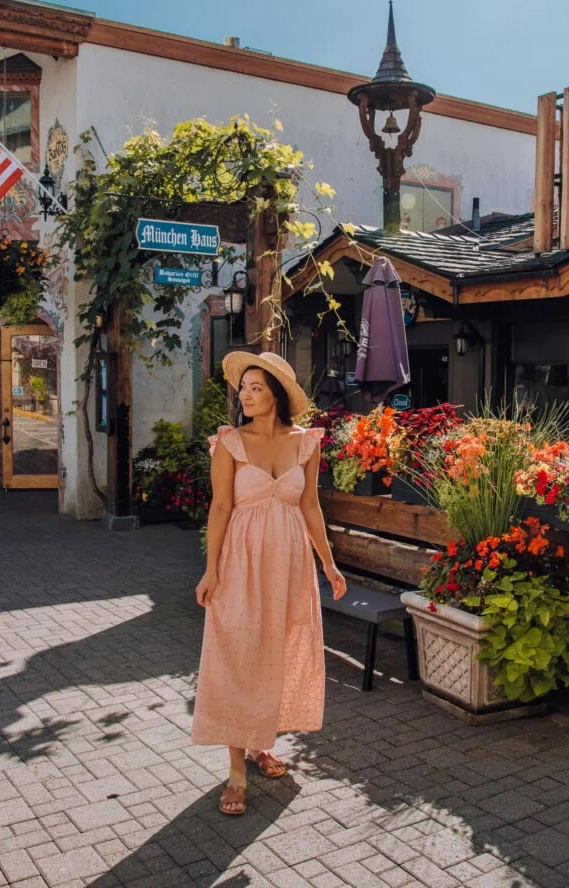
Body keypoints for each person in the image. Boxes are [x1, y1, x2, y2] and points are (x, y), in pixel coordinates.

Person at [192, 350, 347, 817]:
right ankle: (237, 770)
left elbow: (311, 507)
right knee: (238, 654)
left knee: (277, 652)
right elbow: (220, 509)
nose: (246, 395)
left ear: (276, 395)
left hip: (290, 562)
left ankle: (262, 743)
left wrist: (330, 563)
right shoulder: (229, 442)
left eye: (256, 388)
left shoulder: (306, 443)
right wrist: (210, 568)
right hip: (241, 561)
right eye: (243, 388)